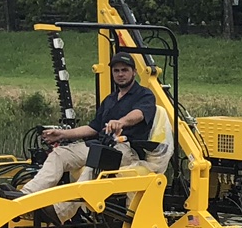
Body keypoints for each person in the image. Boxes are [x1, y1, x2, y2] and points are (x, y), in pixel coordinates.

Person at [20, 50, 172, 218]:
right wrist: (62, 134)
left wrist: (120, 122)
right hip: (101, 146)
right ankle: (24, 197)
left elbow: (139, 114)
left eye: (124, 70)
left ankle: (59, 212)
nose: (120, 74)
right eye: (116, 71)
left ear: (134, 72)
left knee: (96, 162)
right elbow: (93, 128)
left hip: (126, 151)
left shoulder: (144, 95)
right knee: (59, 154)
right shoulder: (110, 99)